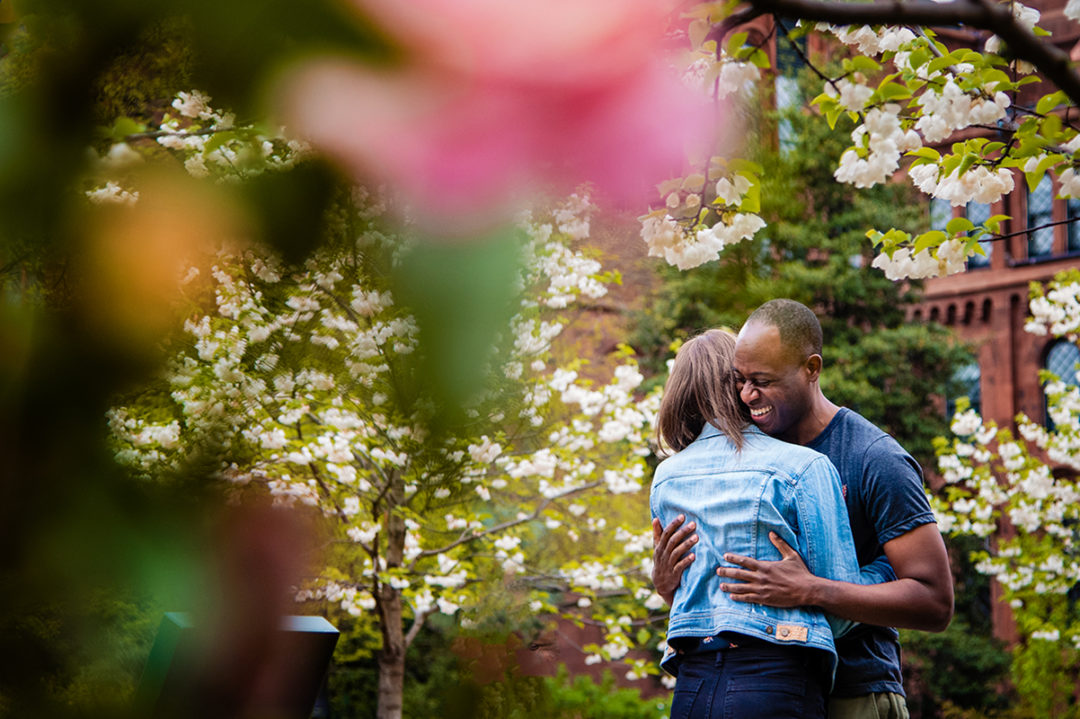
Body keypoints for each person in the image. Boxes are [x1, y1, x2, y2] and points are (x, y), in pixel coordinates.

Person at [651, 299, 953, 719]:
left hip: (855, 691)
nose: (746, 395)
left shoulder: (873, 458)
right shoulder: (742, 459)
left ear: (811, 369)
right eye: (738, 380)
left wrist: (812, 589)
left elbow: (935, 603)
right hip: (765, 690)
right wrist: (669, 585)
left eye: (762, 380)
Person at [651, 328, 878, 719]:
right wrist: (885, 567)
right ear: (739, 382)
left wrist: (665, 587)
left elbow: (688, 596)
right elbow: (842, 617)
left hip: (691, 686)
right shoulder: (802, 467)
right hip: (775, 682)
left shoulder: (666, 478)